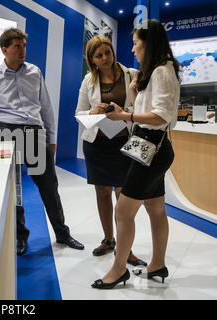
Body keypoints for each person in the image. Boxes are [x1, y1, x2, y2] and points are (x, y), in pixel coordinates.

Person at [92, 19, 180, 289]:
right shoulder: (154, 72)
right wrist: (131, 97)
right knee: (155, 208)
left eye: (135, 43)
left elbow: (160, 116)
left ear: (148, 44)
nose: (132, 49)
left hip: (151, 146)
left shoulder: (162, 71)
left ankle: (119, 270)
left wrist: (125, 114)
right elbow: (146, 114)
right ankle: (158, 265)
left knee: (123, 210)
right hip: (146, 143)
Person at [0, 28, 84, 256]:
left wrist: (51, 137)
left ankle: (62, 233)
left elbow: (46, 106)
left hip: (34, 133)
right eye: (17, 46)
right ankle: (20, 237)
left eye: (24, 46)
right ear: (4, 49)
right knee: (15, 189)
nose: (22, 51)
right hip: (7, 134)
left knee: (49, 186)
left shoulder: (34, 72)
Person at [76, 35, 146, 266]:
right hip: (97, 144)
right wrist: (94, 112)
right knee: (102, 192)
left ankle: (127, 250)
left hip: (125, 143)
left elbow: (142, 109)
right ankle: (108, 240)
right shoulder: (88, 80)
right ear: (92, 60)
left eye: (108, 52)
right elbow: (80, 113)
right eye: (99, 55)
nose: (105, 58)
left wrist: (124, 111)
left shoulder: (131, 75)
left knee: (123, 197)